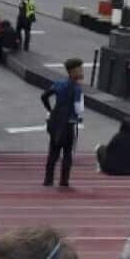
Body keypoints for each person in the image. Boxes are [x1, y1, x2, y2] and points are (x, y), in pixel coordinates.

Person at [41, 58, 85, 188]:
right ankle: (64, 181)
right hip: (68, 124)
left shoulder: (58, 83)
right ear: (73, 71)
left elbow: (44, 96)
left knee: (53, 151)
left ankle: (48, 180)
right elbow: (79, 109)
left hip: (55, 121)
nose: (82, 71)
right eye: (80, 69)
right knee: (67, 153)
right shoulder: (77, 88)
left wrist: (51, 110)